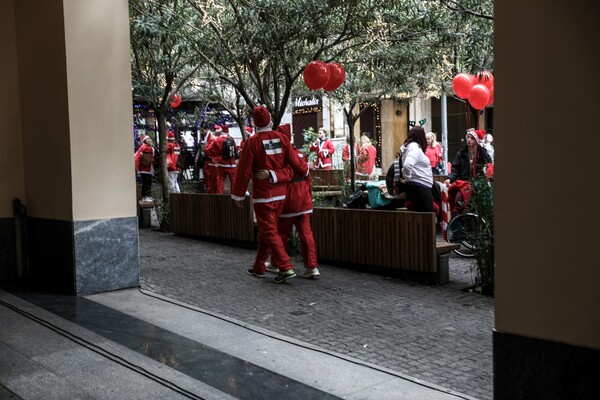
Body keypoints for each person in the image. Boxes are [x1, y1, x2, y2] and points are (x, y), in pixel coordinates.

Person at [231, 105, 308, 283]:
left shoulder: (252, 142)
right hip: (281, 194)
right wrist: (305, 171)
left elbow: (243, 170)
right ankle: (259, 267)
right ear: (269, 120)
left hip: (263, 195)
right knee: (266, 232)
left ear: (255, 123)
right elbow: (295, 162)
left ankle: (285, 267)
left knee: (269, 231)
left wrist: (238, 195)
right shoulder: (281, 138)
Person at [255, 124, 320, 278]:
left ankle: (277, 264)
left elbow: (283, 174)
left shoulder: (282, 155)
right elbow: (307, 176)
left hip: (289, 198)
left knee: (281, 233)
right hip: (303, 198)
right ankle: (312, 266)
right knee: (306, 233)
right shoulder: (301, 155)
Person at [443, 128, 493, 214]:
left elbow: (490, 167)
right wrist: (449, 179)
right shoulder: (461, 154)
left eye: (472, 138)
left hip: (479, 184)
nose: (469, 140)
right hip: (464, 183)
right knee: (458, 198)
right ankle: (458, 222)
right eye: (468, 137)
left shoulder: (483, 154)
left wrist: (487, 177)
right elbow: (455, 170)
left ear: (477, 141)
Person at [400, 126, 434, 212]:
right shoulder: (415, 149)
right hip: (420, 186)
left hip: (417, 185)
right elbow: (407, 165)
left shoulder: (409, 148)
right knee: (426, 216)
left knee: (420, 216)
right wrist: (408, 178)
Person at [205, 125, 238, 194]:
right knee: (233, 181)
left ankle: (220, 197)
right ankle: (234, 196)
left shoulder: (217, 140)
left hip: (221, 164)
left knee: (220, 181)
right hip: (231, 164)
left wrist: (214, 156)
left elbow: (208, 149)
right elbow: (235, 149)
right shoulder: (232, 139)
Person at [134, 135, 156, 202]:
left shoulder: (145, 147)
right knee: (146, 183)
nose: (149, 140)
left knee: (147, 183)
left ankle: (147, 196)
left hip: (147, 169)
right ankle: (145, 196)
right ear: (145, 141)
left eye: (149, 138)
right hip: (145, 169)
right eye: (148, 139)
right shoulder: (145, 147)